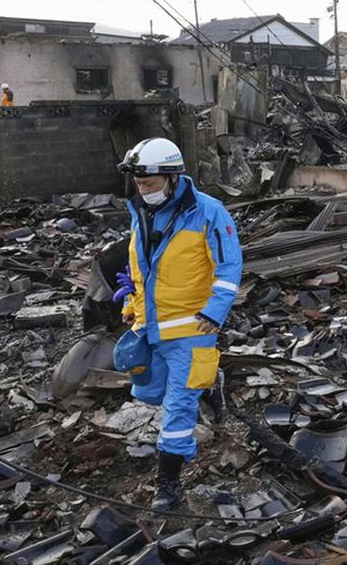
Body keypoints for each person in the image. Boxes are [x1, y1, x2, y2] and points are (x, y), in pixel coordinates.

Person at [111, 137, 242, 510]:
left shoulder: (208, 213)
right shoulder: (141, 212)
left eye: (149, 183)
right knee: (149, 393)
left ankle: (167, 484)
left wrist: (214, 312)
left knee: (177, 409)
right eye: (138, 183)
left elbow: (229, 267)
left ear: (171, 177)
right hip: (151, 327)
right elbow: (143, 269)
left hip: (193, 329)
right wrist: (135, 306)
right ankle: (211, 385)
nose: (143, 189)